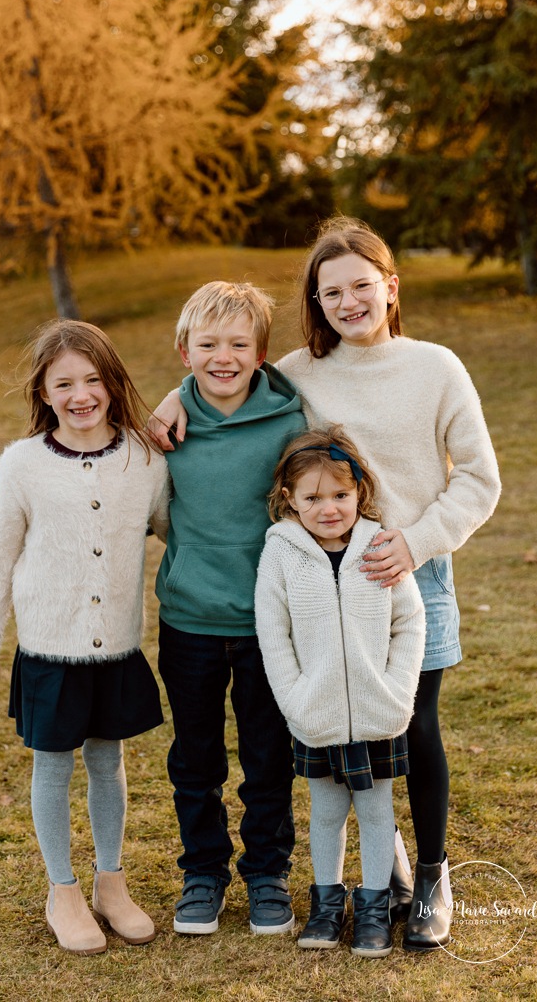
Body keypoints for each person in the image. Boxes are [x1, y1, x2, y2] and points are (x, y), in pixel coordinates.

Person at [149, 218, 502, 950]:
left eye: (361, 287)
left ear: (389, 288)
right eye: (330, 291)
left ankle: (431, 877)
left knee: (413, 726)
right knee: (348, 724)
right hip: (326, 583)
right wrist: (171, 400)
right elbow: (225, 376)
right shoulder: (299, 374)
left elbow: (477, 477)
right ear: (316, 299)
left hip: (413, 572)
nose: (348, 302)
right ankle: (387, 864)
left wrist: (416, 541)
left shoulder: (436, 366)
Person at [0, 320, 169, 956]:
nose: (81, 394)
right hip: (50, 650)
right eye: (64, 383)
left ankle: (110, 880)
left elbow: (169, 527)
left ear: (113, 384)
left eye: (94, 379)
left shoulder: (144, 458)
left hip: (118, 647)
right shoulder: (22, 466)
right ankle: (62, 889)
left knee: (108, 760)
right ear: (43, 392)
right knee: (54, 767)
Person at [155, 281, 306, 936]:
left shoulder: (290, 419)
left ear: (261, 351)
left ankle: (268, 871)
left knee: (267, 752)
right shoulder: (163, 427)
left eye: (238, 344)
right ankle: (203, 872)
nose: (224, 356)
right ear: (184, 351)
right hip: (187, 618)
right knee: (195, 756)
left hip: (266, 622)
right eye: (208, 344)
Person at [254, 426, 425, 956]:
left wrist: (397, 692)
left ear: (359, 494)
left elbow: (410, 622)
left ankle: (374, 907)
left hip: (379, 713)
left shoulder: (379, 545)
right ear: (290, 500)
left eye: (340, 496)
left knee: (377, 813)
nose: (329, 508)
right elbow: (273, 633)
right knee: (326, 813)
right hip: (317, 715)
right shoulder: (282, 554)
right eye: (313, 498)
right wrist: (297, 700)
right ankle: (327, 906)